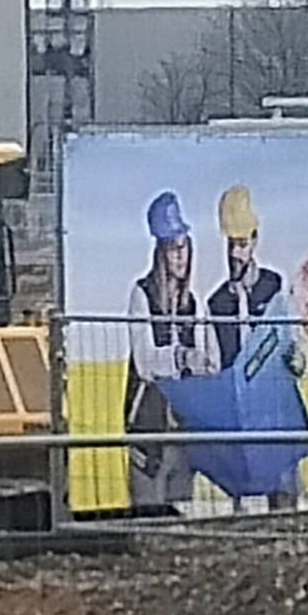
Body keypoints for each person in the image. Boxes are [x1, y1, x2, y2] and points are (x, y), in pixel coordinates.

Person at [206, 185, 306, 511]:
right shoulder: (216, 303)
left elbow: (296, 339)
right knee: (241, 504)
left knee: (284, 494)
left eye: (242, 244)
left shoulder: (275, 286)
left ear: (255, 241)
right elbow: (214, 362)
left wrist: (298, 359)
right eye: (231, 245)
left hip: (276, 412)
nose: (236, 254)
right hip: (239, 419)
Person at [124, 192, 210, 510]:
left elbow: (203, 359)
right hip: (148, 430)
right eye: (173, 248)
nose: (180, 257)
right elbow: (145, 362)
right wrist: (180, 357)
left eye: (184, 247)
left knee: (182, 513)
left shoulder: (195, 303)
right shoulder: (142, 295)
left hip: (184, 432)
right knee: (148, 511)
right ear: (160, 252)